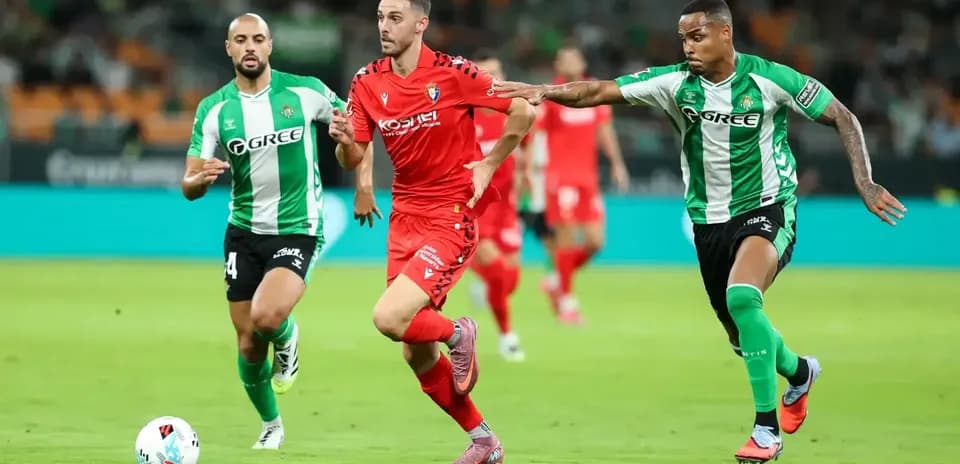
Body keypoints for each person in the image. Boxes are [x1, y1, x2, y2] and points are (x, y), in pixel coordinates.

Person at [495, 0, 907, 462]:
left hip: (768, 209)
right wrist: (545, 91)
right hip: (708, 223)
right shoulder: (673, 84)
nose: (688, 47)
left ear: (725, 34)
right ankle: (799, 372)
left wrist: (865, 181)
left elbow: (843, 117)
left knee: (743, 297)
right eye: (683, 39)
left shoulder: (771, 79)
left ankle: (766, 430)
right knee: (740, 336)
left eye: (697, 36)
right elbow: (595, 91)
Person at [328, 1, 536, 462]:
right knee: (414, 353)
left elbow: (522, 110)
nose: (384, 25)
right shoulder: (366, 81)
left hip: (450, 215)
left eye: (395, 17)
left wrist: (490, 161)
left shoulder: (455, 72)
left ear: (421, 23)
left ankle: (459, 332)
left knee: (388, 318)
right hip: (405, 218)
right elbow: (354, 155)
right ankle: (485, 441)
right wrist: (344, 144)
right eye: (380, 17)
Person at [181, 13, 349, 450]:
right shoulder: (214, 109)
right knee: (248, 343)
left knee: (267, 317)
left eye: (258, 39)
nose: (250, 46)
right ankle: (271, 426)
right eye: (241, 40)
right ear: (229, 48)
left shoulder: (305, 91)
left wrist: (355, 159)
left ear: (270, 45)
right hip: (243, 231)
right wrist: (197, 182)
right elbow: (189, 181)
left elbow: (353, 126)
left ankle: (289, 340)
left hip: (298, 226)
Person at [538, 43, 630, 324]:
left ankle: (556, 280)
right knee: (564, 242)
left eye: (572, 58)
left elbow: (605, 131)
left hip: (587, 179)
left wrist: (617, 163)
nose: (568, 64)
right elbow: (537, 134)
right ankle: (567, 302)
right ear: (558, 65)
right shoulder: (551, 94)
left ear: (581, 62)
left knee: (594, 241)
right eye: (562, 59)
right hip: (559, 178)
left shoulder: (594, 92)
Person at [467, 48, 531, 362]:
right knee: (498, 274)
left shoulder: (516, 112)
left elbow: (527, 145)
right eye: (483, 74)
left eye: (495, 72)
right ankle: (508, 337)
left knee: (511, 280)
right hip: (477, 208)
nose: (491, 80)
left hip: (507, 207)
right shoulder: (467, 117)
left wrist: (526, 174)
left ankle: (474, 272)